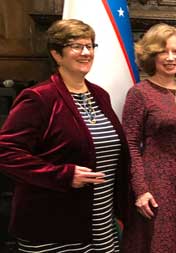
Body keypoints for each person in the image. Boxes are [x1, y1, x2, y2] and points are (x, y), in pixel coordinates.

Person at [0, 19, 128, 252]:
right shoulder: (39, 98)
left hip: (100, 221)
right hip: (53, 223)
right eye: (76, 46)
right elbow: (6, 153)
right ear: (57, 54)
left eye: (90, 46)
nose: (86, 52)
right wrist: (62, 174)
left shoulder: (100, 95)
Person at [121, 23, 176, 252]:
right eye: (163, 51)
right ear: (151, 54)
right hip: (156, 184)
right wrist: (140, 190)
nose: (171, 57)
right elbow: (129, 145)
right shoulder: (140, 93)